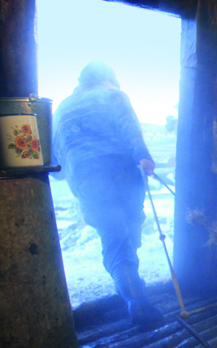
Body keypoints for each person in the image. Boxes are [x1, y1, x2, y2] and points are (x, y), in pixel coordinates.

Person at [53, 61, 163, 327]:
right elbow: (129, 128)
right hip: (123, 172)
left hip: (88, 181)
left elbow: (56, 168)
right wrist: (144, 157)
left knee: (114, 238)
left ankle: (131, 289)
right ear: (108, 80)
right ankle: (136, 297)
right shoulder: (112, 95)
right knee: (129, 232)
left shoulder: (61, 110)